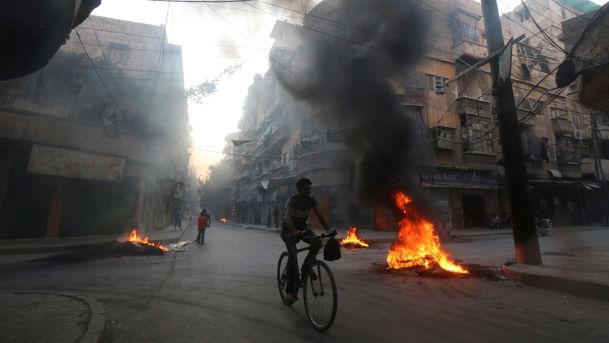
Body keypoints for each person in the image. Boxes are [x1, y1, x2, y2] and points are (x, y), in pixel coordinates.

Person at [281, 178, 335, 305]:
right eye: (306, 189)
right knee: (293, 255)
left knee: (317, 242)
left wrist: (329, 229)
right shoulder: (293, 200)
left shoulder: (311, 200)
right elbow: (288, 218)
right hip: (288, 230)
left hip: (303, 228)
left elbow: (320, 215)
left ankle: (305, 268)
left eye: (310, 188)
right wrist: (294, 232)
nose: (309, 191)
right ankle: (290, 291)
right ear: (299, 189)